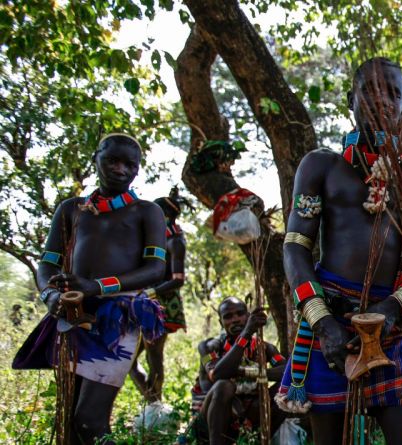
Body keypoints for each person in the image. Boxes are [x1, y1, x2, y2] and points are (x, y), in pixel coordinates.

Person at [274, 57, 402, 445]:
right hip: (328, 318)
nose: (382, 101)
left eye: (393, 94)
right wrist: (324, 323)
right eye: (370, 91)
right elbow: (295, 248)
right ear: (350, 100)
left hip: (395, 325)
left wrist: (391, 309)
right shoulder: (321, 166)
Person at [14, 133, 167, 444]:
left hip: (118, 318)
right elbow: (48, 264)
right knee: (68, 422)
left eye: (130, 165)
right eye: (112, 160)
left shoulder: (147, 211)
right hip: (72, 314)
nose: (121, 169)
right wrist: (50, 296)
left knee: (89, 421)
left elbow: (155, 269)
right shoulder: (71, 209)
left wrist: (95, 287)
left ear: (138, 170)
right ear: (96, 158)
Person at [189, 297, 286, 445]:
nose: (235, 320)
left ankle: (258, 441)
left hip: (248, 417)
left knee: (287, 388)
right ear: (221, 322)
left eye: (240, 314)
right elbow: (217, 374)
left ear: (248, 317)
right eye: (228, 316)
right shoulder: (209, 348)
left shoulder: (265, 348)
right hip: (211, 424)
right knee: (223, 386)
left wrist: (244, 372)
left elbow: (288, 371)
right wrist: (246, 334)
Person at [130, 186, 188, 403]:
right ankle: (153, 403)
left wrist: (151, 292)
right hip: (144, 302)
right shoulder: (156, 240)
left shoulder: (175, 241)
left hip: (161, 305)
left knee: (154, 357)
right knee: (129, 361)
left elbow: (178, 279)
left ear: (165, 216)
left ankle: (155, 406)